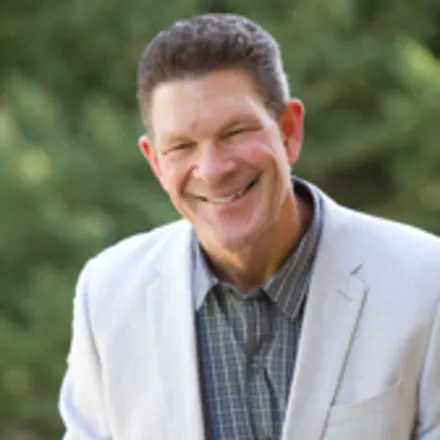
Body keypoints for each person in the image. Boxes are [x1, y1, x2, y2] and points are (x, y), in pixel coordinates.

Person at [58, 13, 440, 440]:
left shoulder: (426, 281)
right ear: (156, 162)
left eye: (235, 132)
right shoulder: (106, 297)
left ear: (289, 132)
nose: (213, 169)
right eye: (182, 146)